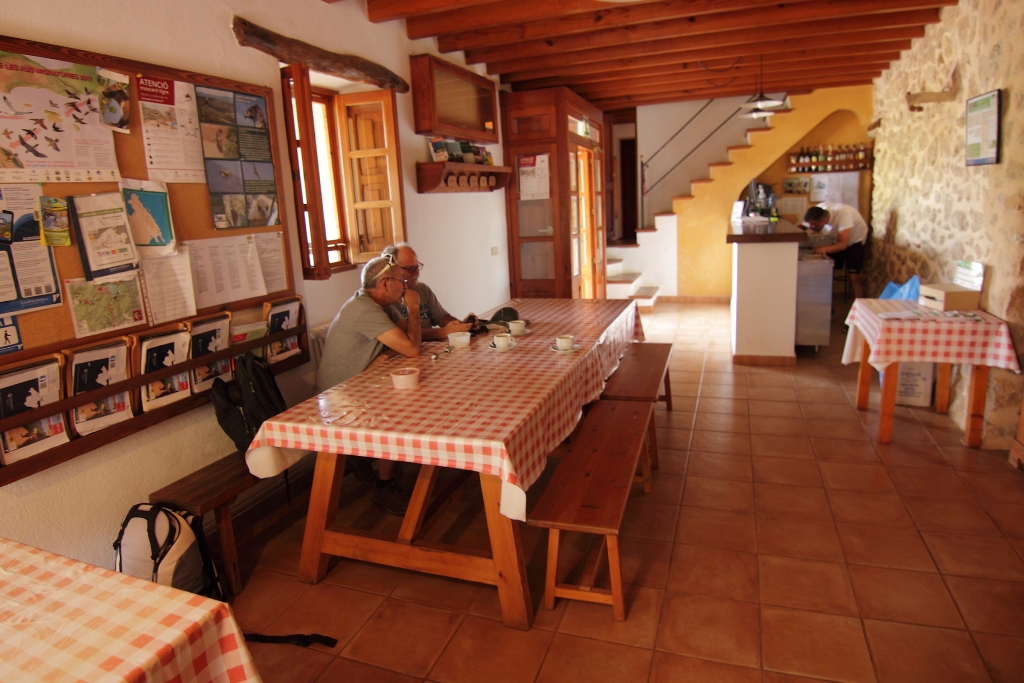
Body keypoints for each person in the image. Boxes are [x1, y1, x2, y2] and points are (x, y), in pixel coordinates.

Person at [315, 254, 422, 514]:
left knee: (409, 392)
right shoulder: (364, 309)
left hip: (358, 384)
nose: (406, 285)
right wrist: (414, 308)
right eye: (401, 280)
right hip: (339, 397)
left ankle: (396, 467)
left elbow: (407, 340)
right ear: (385, 284)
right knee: (401, 407)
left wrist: (385, 354)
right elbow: (411, 348)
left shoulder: (380, 304)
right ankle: (384, 484)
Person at [381, 243, 475, 340]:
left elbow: (442, 318)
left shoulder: (422, 289)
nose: (417, 272)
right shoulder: (387, 300)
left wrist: (463, 325)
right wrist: (443, 332)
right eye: (410, 269)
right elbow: (404, 335)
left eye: (417, 266)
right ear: (393, 270)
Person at [801, 202, 869, 299]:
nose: (812, 228)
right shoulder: (818, 210)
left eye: (814, 226)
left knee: (854, 277)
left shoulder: (844, 215)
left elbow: (842, 245)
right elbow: (805, 225)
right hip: (836, 240)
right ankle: (825, 304)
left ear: (823, 221)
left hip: (854, 242)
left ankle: (859, 307)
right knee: (823, 268)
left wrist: (823, 248)